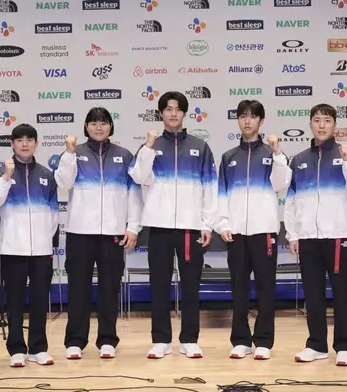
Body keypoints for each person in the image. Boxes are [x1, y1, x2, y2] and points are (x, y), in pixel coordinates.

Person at [129, 91, 218, 359]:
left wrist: (207, 223)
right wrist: (146, 149)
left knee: (191, 284)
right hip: (158, 226)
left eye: (178, 109)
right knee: (159, 283)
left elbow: (210, 188)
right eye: (167, 109)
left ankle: (189, 339)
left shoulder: (199, 147)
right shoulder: (151, 147)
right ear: (160, 113)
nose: (173, 113)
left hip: (191, 227)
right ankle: (161, 340)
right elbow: (139, 178)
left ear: (184, 113)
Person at [284, 103, 347, 366]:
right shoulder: (298, 160)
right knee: (313, 293)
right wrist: (293, 234)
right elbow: (291, 201)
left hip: (338, 237)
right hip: (309, 237)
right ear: (310, 124)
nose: (322, 125)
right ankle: (317, 345)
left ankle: (345, 346)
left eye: (327, 121)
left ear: (335, 126)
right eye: (317, 120)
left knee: (342, 292)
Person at [55, 107, 142, 359]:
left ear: (110, 127)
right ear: (86, 127)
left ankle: (107, 340)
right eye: (93, 123)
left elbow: (134, 194)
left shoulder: (124, 155)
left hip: (113, 234)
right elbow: (64, 183)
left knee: (109, 288)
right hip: (80, 233)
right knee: (78, 289)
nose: (98, 127)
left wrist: (133, 226)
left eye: (103, 122)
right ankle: (75, 341)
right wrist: (70, 154)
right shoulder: (74, 153)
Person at [214, 100, 292, 360]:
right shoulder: (229, 157)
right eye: (242, 116)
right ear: (238, 120)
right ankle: (240, 340)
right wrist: (223, 224)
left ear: (261, 120)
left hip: (264, 232)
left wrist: (279, 154)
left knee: (265, 287)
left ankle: (264, 341)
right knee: (238, 288)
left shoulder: (272, 155)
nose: (247, 121)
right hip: (235, 233)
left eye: (252, 116)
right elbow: (221, 195)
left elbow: (281, 185)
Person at [0, 124, 58, 367]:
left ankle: (38, 347)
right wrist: (6, 177)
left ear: (36, 142)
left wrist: (43, 242)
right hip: (12, 250)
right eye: (19, 140)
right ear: (12, 144)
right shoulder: (0, 173)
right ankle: (16, 348)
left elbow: (54, 214)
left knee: (39, 300)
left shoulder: (47, 175)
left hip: (41, 251)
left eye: (29, 139)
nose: (25, 143)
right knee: (14, 300)